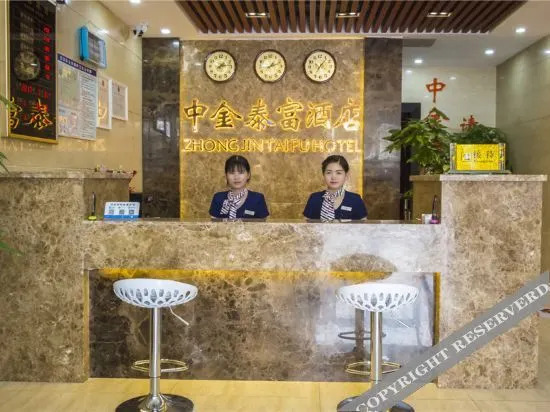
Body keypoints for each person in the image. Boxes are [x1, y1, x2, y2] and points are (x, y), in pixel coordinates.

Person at [303, 155, 367, 221]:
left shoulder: (355, 200)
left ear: (346, 175)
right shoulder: (314, 198)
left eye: (338, 173)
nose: (333, 177)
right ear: (323, 175)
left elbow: (364, 226)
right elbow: (304, 226)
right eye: (328, 172)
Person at [209, 155, 269, 219]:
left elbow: (263, 224)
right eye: (232, 173)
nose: (236, 177)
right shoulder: (218, 198)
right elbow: (213, 224)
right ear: (226, 175)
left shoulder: (258, 199)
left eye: (241, 172)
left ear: (248, 175)